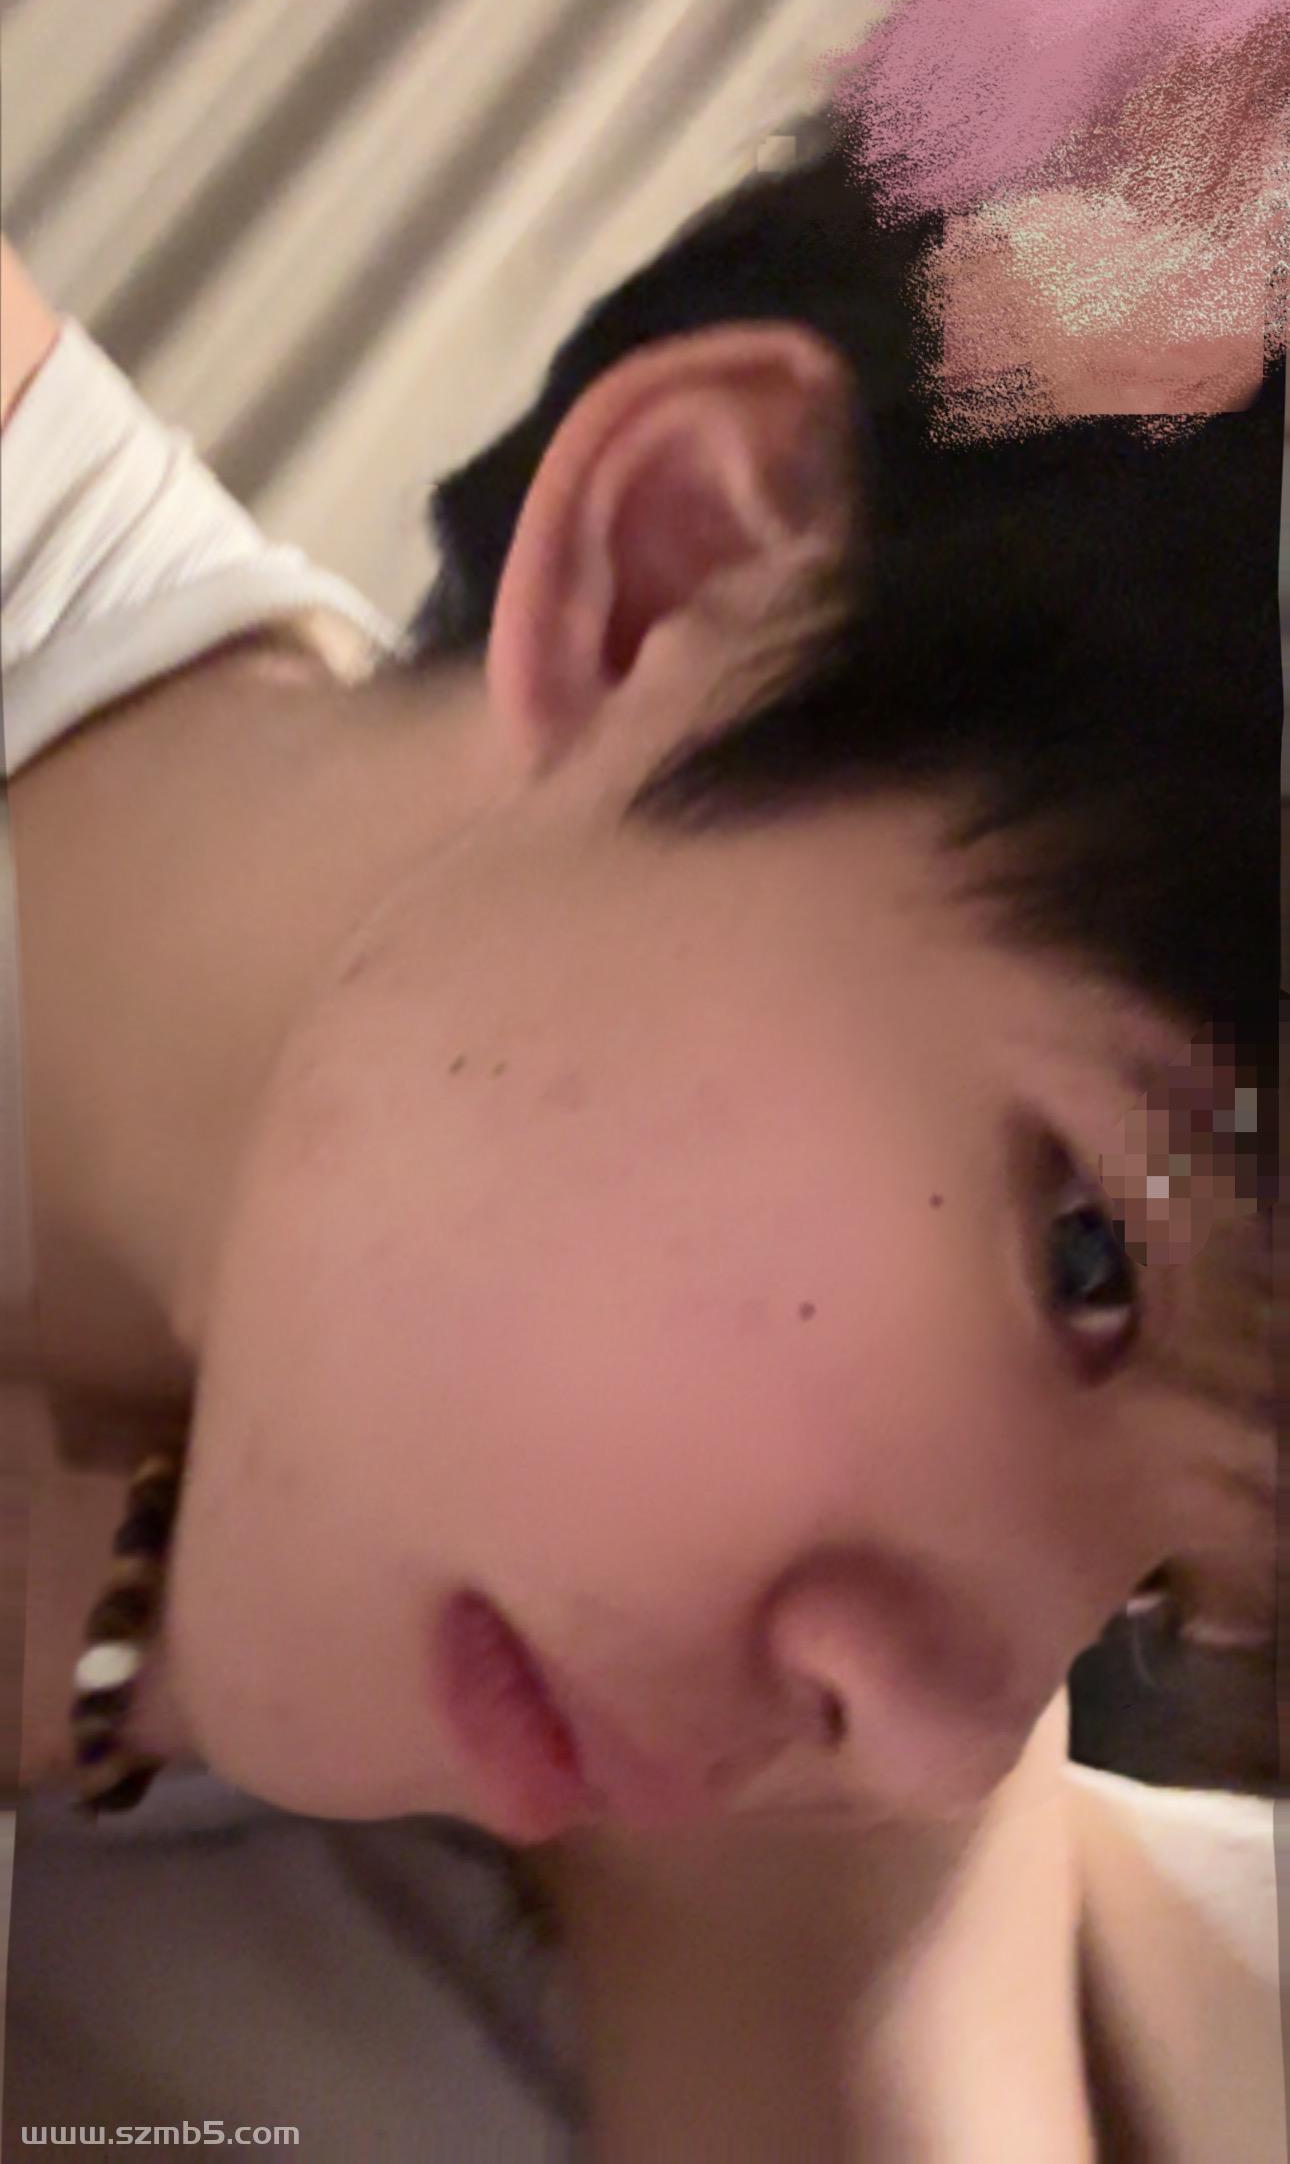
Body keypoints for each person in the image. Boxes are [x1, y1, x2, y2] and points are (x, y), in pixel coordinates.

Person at [0, 137, 1280, 2155]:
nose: (930, 1731)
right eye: (1086, 1264)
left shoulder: (803, 1798)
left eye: (1154, 1586)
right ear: (685, 574)